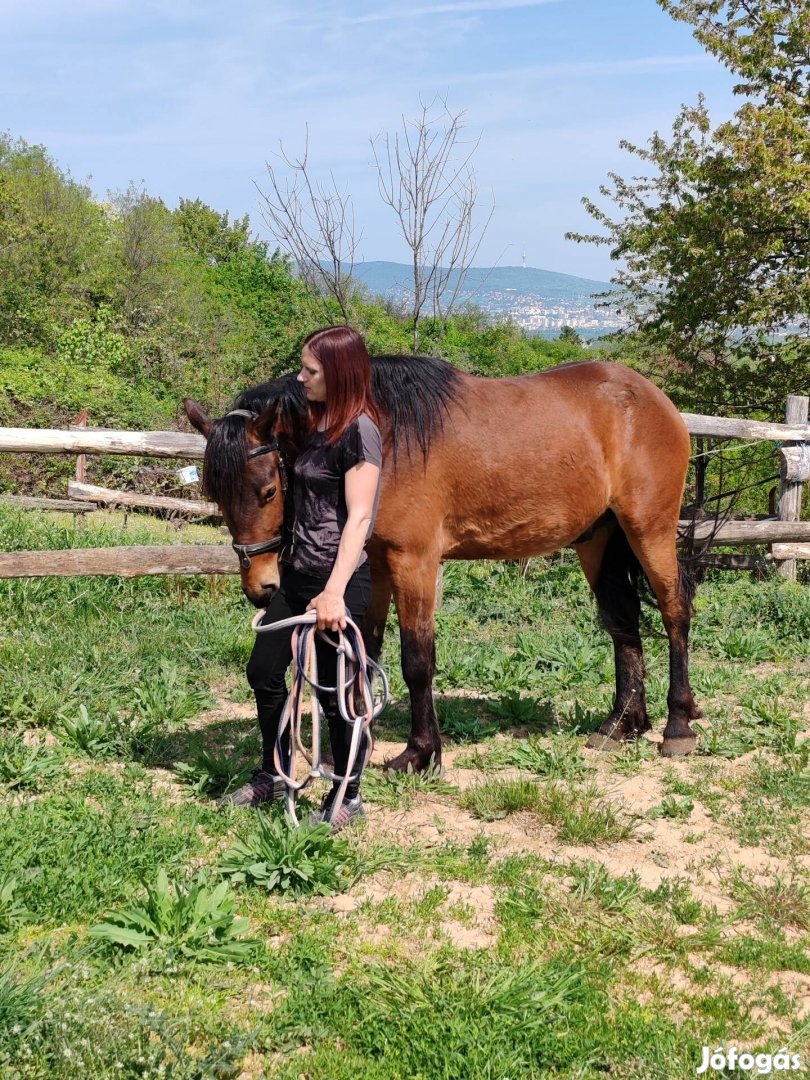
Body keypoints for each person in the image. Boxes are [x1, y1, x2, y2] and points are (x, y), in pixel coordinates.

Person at [225, 325, 382, 831]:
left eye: (310, 370)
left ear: (338, 374)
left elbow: (359, 517)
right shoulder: (315, 427)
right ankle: (273, 773)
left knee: (337, 694)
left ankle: (347, 798)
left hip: (339, 581)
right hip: (297, 574)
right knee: (264, 671)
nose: (301, 377)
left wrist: (334, 591)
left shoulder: (361, 431)